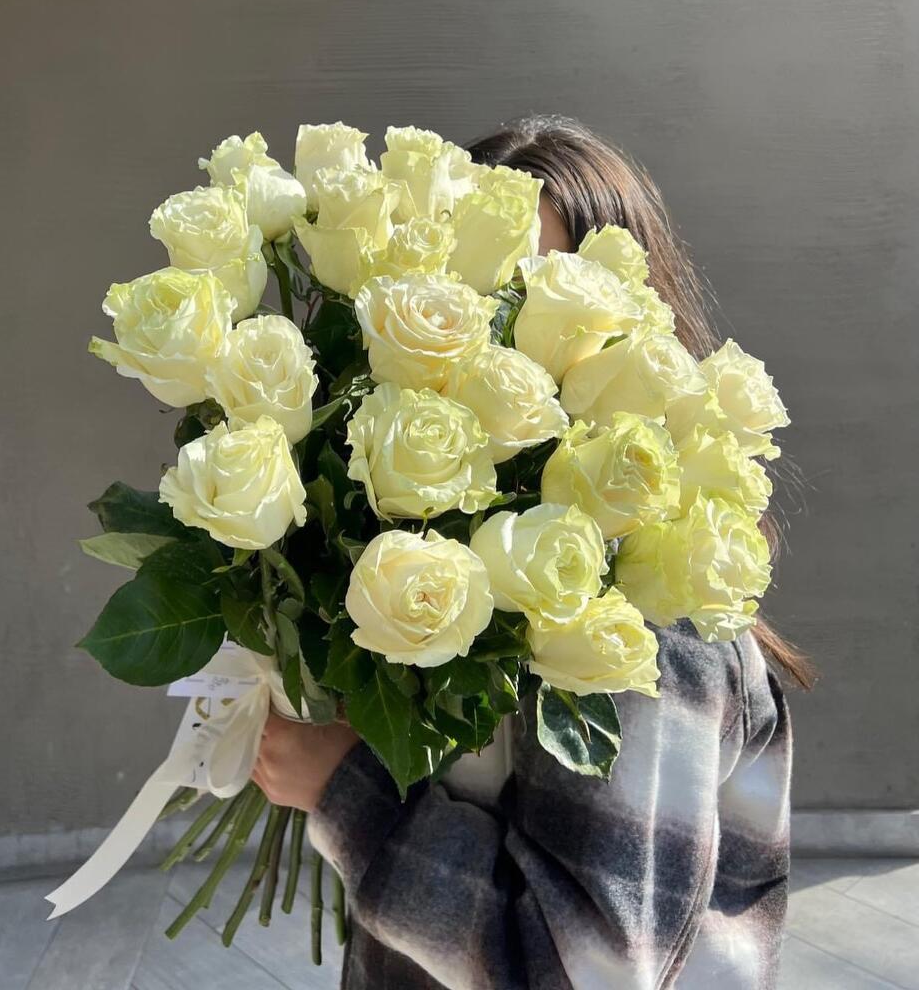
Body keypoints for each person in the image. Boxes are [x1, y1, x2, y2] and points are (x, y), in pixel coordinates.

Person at [252, 114, 813, 990]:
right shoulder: (443, 543)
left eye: (544, 295)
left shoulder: (649, 624)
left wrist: (345, 791)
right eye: (480, 295)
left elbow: (584, 971)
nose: (502, 341)